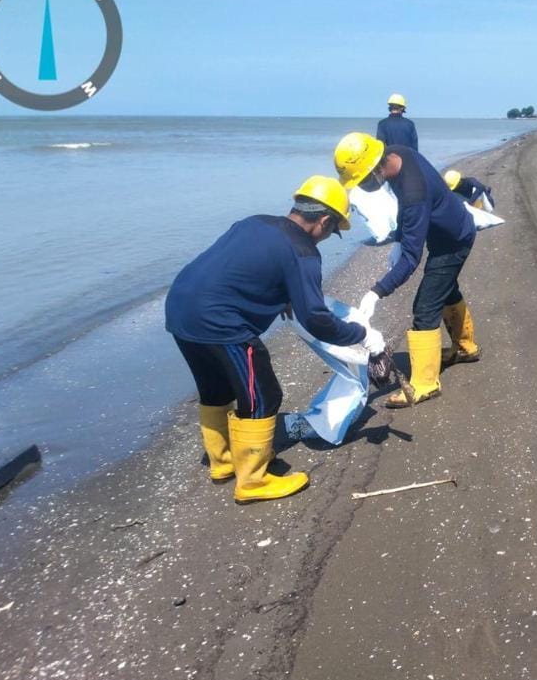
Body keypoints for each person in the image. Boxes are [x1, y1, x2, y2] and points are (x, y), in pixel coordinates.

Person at [165, 176, 386, 503]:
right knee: (262, 395)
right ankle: (252, 481)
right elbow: (316, 319)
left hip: (180, 307)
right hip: (221, 323)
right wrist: (362, 335)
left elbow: (242, 268)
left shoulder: (255, 222)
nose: (327, 238)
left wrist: (282, 297)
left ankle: (223, 463)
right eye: (332, 230)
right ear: (323, 221)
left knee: (216, 389)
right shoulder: (303, 251)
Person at [334, 132, 480, 408]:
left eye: (363, 180)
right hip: (448, 228)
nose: (363, 186)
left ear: (376, 167)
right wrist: (399, 238)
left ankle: (425, 383)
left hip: (453, 242)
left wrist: (376, 292)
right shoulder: (398, 152)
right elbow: (404, 207)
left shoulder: (414, 191)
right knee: (446, 289)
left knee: (425, 307)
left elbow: (411, 260)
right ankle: (465, 347)